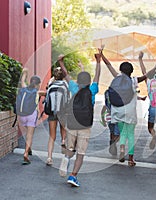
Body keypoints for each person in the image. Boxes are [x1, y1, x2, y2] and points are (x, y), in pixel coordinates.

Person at [58, 52, 101, 187]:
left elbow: (66, 75)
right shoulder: (92, 90)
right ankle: (73, 176)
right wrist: (98, 61)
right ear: (88, 82)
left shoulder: (73, 87)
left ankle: (66, 158)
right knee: (81, 153)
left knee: (70, 149)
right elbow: (97, 76)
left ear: (78, 81)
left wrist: (61, 62)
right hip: (85, 126)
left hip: (72, 123)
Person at [101, 47, 147, 167]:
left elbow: (109, 65)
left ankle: (121, 150)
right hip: (130, 112)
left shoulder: (117, 77)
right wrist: (142, 60)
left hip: (118, 111)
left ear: (121, 70)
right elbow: (146, 75)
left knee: (122, 133)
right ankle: (131, 159)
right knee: (130, 134)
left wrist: (102, 55)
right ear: (131, 71)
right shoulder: (134, 80)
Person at [18, 68, 46, 165]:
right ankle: (26, 153)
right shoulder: (37, 92)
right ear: (37, 84)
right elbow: (48, 93)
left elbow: (22, 80)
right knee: (30, 135)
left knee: (27, 132)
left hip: (22, 115)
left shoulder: (24, 88)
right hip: (31, 115)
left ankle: (29, 149)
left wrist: (25, 72)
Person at [45, 67, 68, 166]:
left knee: (52, 136)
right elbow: (68, 99)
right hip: (63, 112)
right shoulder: (65, 85)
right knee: (64, 128)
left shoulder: (51, 85)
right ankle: (63, 140)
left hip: (51, 113)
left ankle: (49, 157)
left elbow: (46, 100)